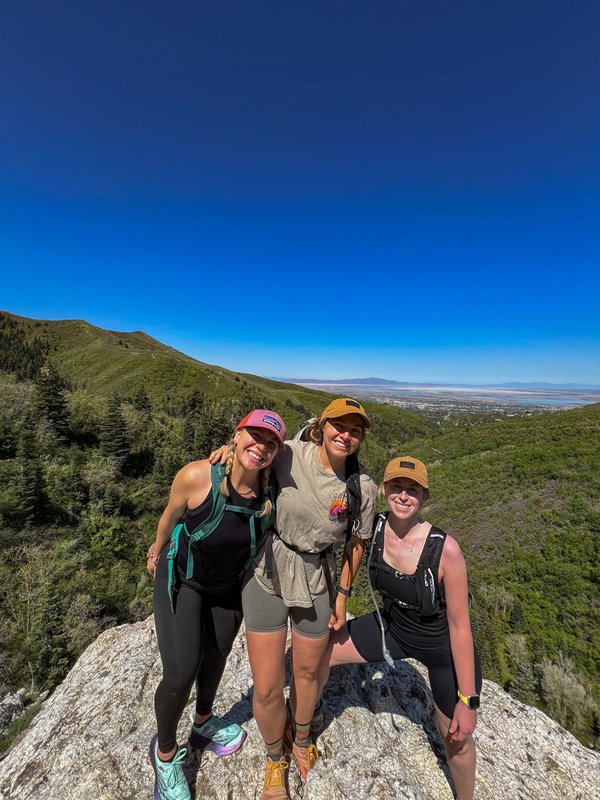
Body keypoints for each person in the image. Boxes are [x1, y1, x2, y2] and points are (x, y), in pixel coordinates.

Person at [214, 397, 377, 799]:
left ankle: (301, 738)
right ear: (322, 426)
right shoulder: (289, 455)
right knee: (268, 687)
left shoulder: (362, 488)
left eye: (355, 431)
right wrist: (226, 451)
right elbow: (252, 456)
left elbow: (357, 543)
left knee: (307, 674)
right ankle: (275, 759)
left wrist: (343, 596)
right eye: (339, 425)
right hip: (268, 571)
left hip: (318, 577)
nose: (346, 435)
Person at [317, 456, 482, 800]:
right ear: (383, 489)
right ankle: (309, 718)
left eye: (412, 489)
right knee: (320, 651)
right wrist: (340, 598)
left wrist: (468, 701)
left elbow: (460, 627)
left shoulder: (445, 550)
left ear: (424, 496)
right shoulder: (374, 528)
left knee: (456, 736)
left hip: (441, 649)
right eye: (396, 487)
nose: (403, 496)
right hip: (391, 630)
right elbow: (333, 525)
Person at [146, 409, 287, 800]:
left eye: (271, 443)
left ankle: (203, 723)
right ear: (237, 435)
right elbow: (170, 516)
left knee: (217, 655)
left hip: (227, 587)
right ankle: (165, 755)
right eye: (254, 435)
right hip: (183, 579)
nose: (260, 446)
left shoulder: (271, 492)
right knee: (180, 674)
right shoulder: (197, 477)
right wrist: (155, 551)